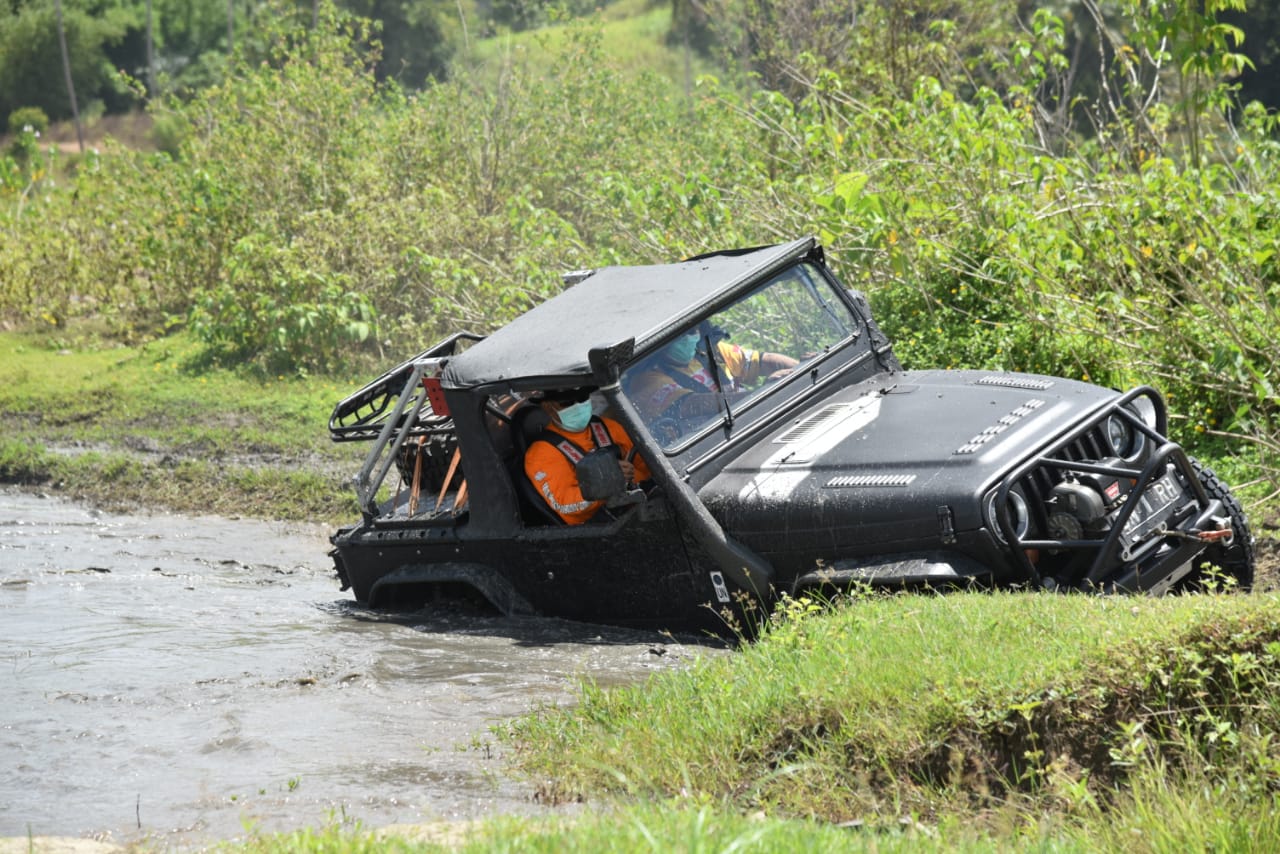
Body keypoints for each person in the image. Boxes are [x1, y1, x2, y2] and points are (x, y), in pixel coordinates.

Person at [523, 387, 652, 526]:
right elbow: (565, 505)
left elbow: (646, 465)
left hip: (643, 502)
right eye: (567, 402)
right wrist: (606, 482)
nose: (577, 406)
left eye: (582, 398)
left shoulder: (607, 426)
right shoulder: (541, 454)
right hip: (603, 527)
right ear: (548, 407)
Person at [627, 327, 800, 425]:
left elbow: (762, 361)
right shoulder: (646, 379)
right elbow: (690, 404)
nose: (688, 338)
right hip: (713, 443)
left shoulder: (709, 351)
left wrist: (799, 370)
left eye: (690, 330)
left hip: (751, 419)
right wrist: (761, 394)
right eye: (679, 335)